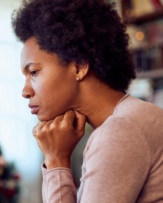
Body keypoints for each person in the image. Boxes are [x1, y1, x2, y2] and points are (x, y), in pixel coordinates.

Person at [11, 0, 163, 202]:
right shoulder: (134, 118)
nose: (25, 91)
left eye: (34, 72)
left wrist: (56, 160)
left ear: (79, 67)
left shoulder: (119, 132)